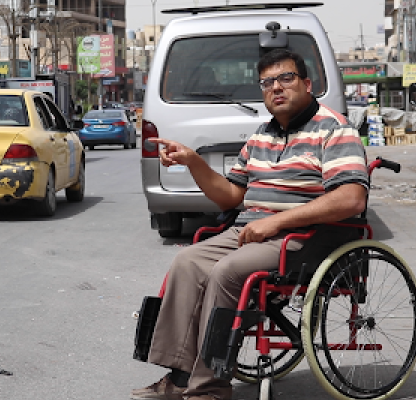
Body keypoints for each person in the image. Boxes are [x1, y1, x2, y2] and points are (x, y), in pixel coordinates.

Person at [131, 49, 369, 400]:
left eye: (286, 78)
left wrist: (277, 223)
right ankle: (180, 376)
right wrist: (193, 161)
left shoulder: (334, 129)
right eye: (267, 82)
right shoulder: (262, 135)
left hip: (307, 236)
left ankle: (209, 388)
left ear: (307, 84)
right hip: (254, 232)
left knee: (227, 272)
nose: (276, 88)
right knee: (187, 261)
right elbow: (230, 196)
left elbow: (351, 199)